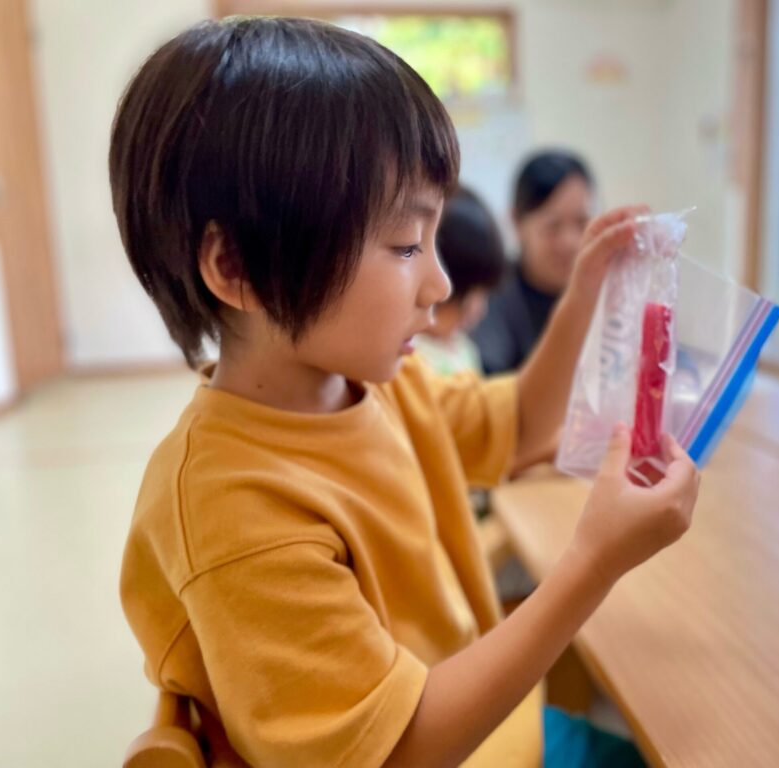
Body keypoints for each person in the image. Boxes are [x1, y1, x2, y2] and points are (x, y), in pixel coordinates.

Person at [110, 17, 699, 768]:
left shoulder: (376, 382)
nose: (440, 284)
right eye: (404, 245)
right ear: (238, 268)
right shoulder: (233, 508)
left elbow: (518, 425)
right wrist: (594, 561)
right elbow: (393, 753)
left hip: (495, 730)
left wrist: (582, 293)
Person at [471, 150, 595, 374]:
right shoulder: (490, 298)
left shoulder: (603, 290)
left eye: (581, 223)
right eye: (553, 226)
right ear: (517, 223)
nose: (570, 242)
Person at [413, 186, 506, 376]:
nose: (479, 309)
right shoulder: (410, 355)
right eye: (466, 297)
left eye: (483, 293)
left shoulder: (464, 348)